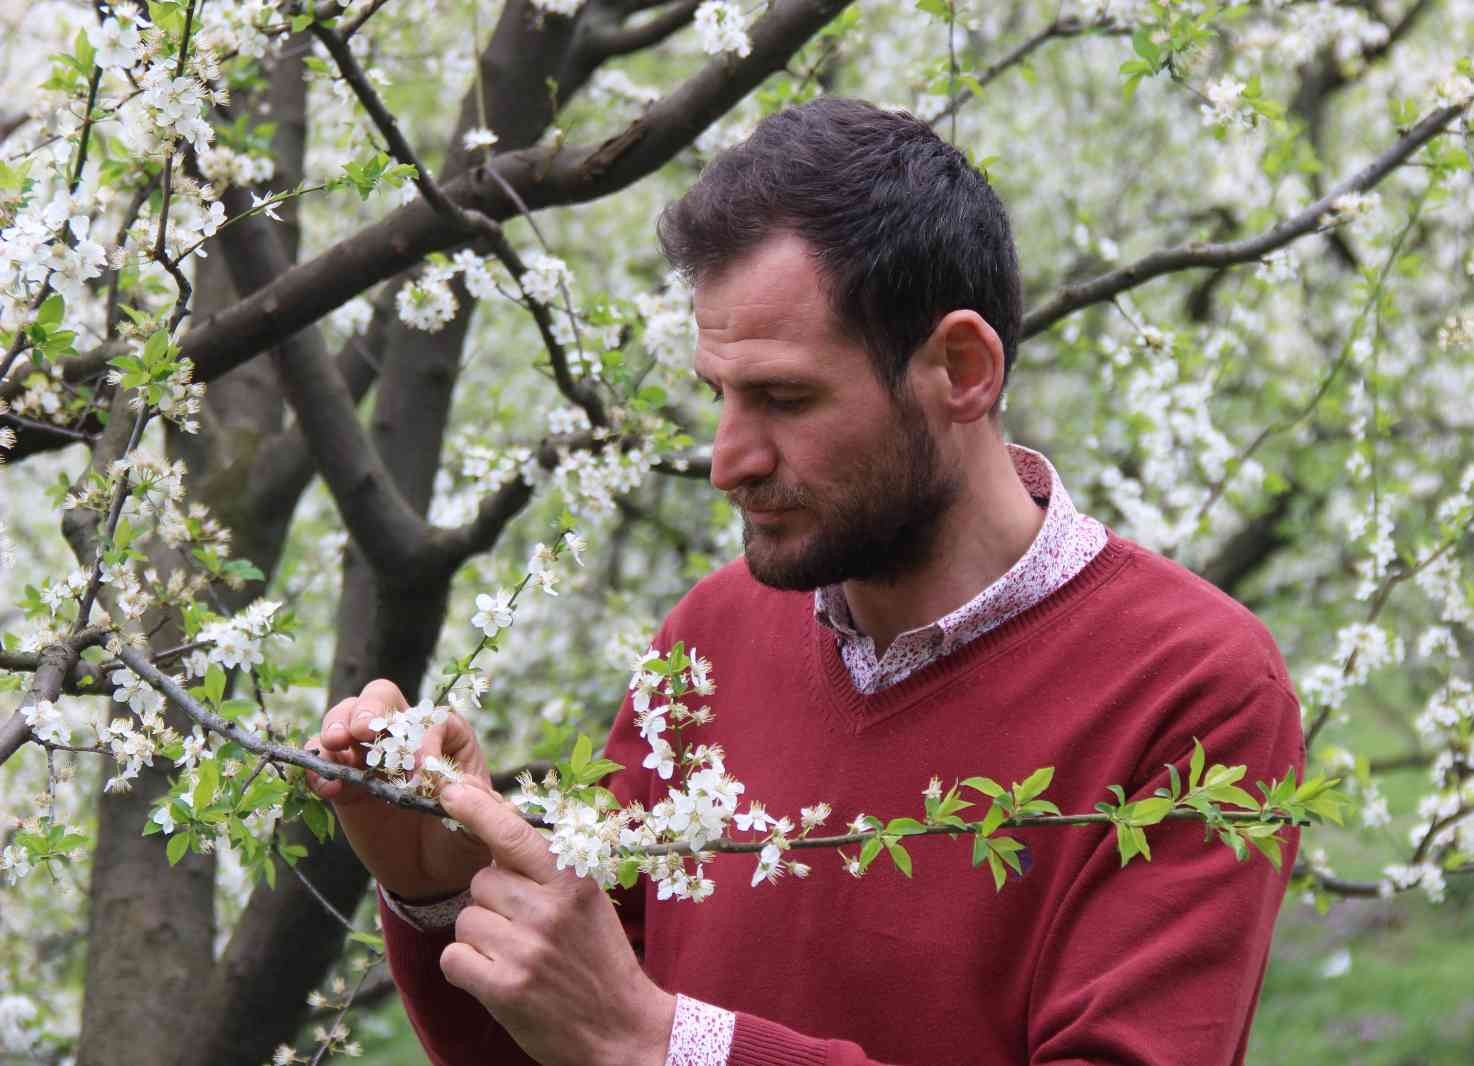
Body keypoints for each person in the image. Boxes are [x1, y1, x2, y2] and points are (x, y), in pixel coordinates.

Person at [309, 97, 1305, 1065]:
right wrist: (442, 893)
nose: (726, 458)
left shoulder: (1193, 691)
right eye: (718, 395)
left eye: (784, 397)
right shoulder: (708, 641)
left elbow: (629, 1038)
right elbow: (576, 1042)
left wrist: (665, 1045)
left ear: (961, 369)